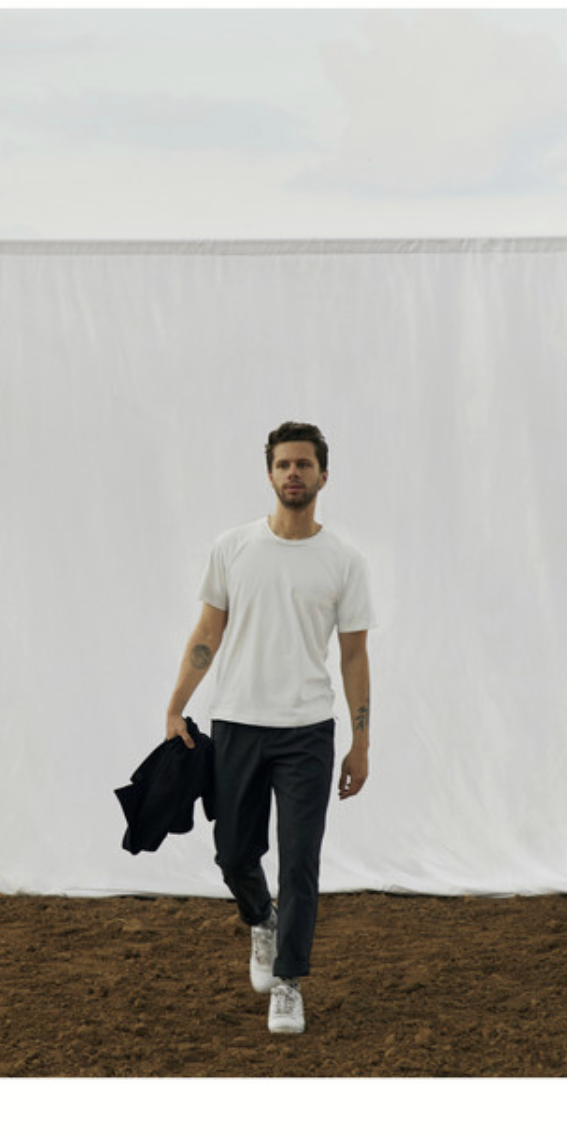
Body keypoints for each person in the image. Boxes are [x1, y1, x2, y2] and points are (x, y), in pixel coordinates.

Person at [165, 421, 374, 1035]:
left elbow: (355, 656)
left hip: (307, 731)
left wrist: (361, 742)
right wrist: (177, 704)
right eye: (283, 464)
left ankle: (287, 982)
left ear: (323, 476)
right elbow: (207, 635)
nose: (293, 474)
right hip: (236, 724)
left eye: (304, 465)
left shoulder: (344, 562)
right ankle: (261, 918)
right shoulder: (233, 548)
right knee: (233, 853)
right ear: (269, 473)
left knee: (300, 861)